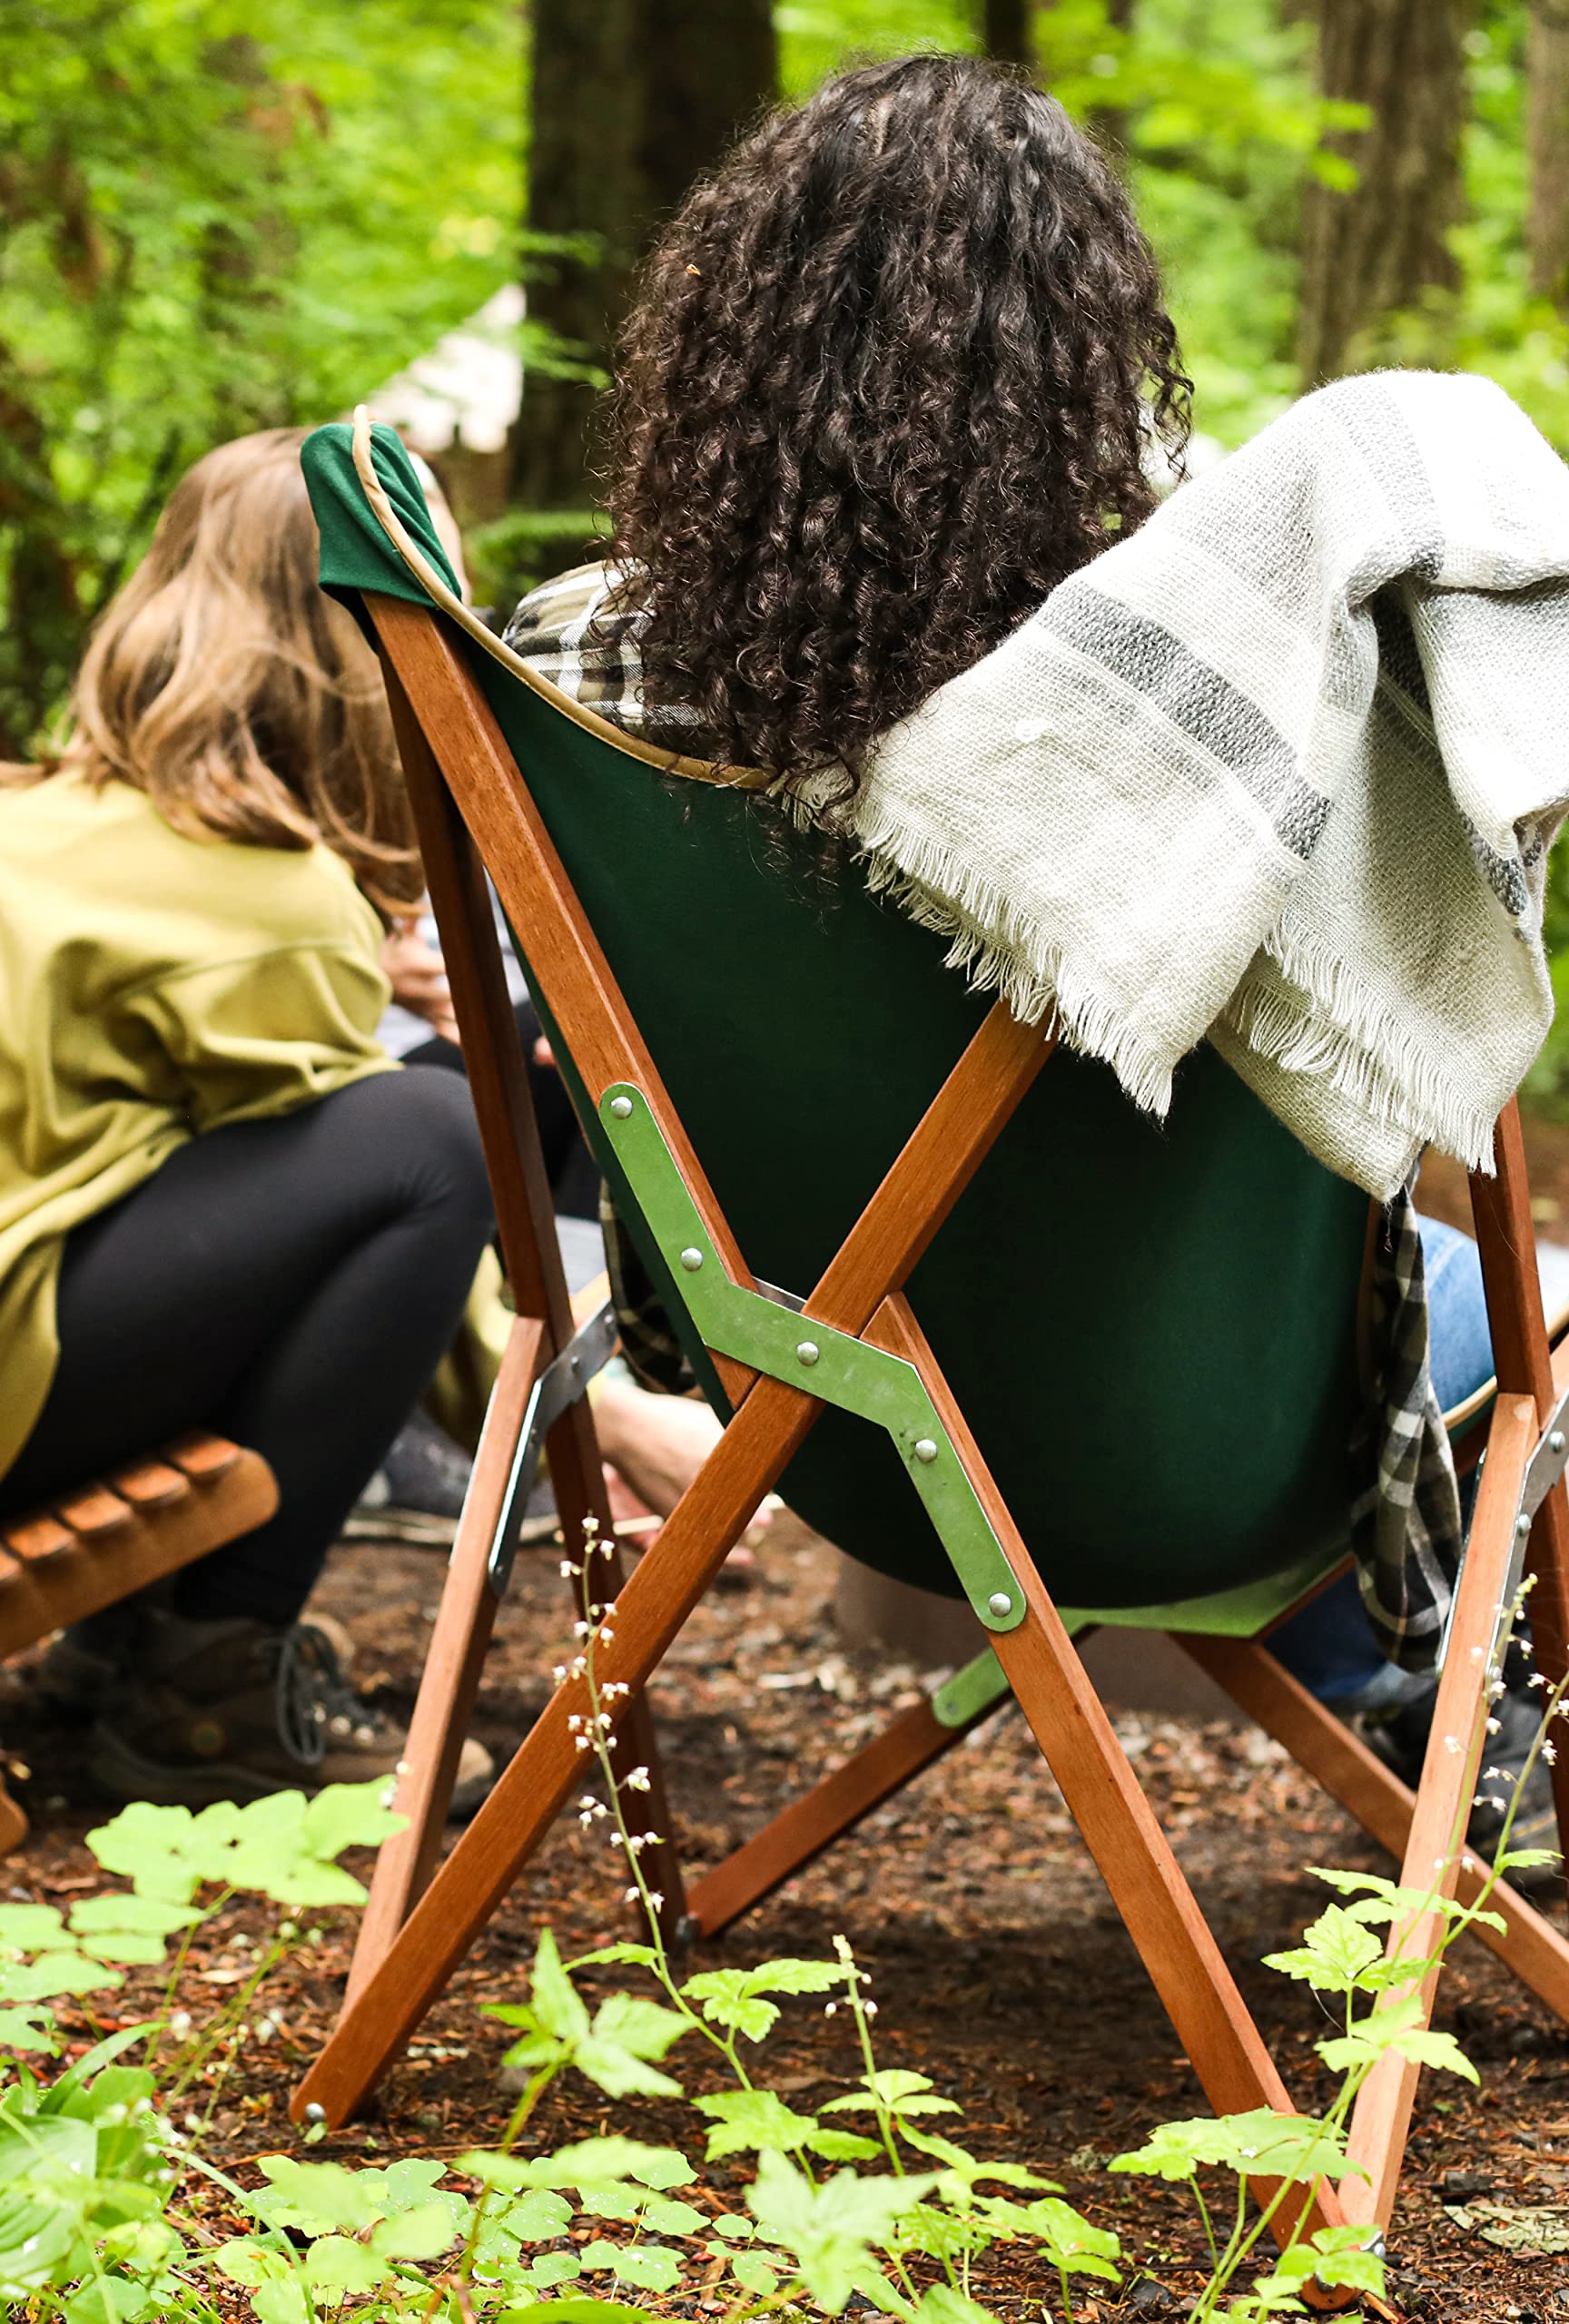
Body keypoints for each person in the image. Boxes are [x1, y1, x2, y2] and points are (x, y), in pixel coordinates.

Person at [498, 54, 1548, 1852]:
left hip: (818, 1419)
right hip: (1194, 1438)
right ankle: (1450, 1737)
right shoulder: (1220, 730)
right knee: (1516, 1314)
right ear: (1088, 364)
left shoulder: (563, 680)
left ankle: (1413, 1711)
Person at [0, 427, 510, 1808]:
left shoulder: (36, 823)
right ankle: (210, 1680)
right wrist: (591, 1423)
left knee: (384, 1139)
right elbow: (388, 1212)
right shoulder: (276, 900)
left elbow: (248, 1209)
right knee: (431, 1135)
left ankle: (131, 1630)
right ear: (368, 636)